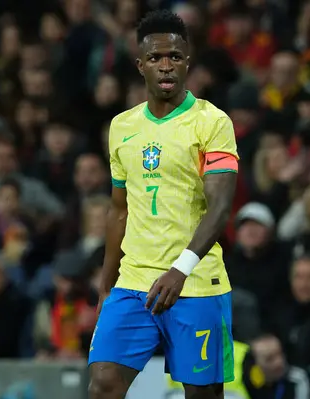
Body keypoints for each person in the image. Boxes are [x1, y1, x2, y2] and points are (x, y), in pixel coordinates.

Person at [88, 10, 239, 399]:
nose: (166, 65)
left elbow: (220, 206)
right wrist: (107, 285)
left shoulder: (212, 121)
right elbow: (118, 209)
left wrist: (180, 270)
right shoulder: (122, 126)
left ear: (188, 61)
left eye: (175, 56)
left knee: (202, 395)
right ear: (141, 66)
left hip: (196, 283)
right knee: (103, 382)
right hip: (133, 283)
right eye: (156, 58)